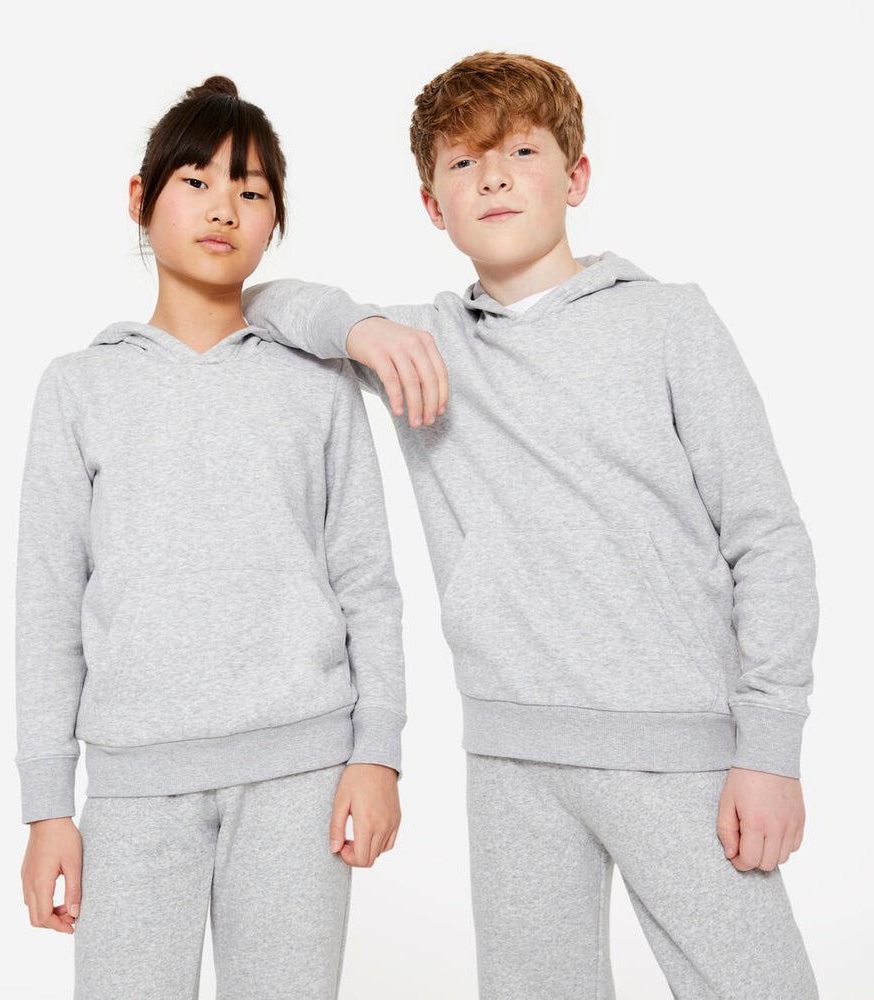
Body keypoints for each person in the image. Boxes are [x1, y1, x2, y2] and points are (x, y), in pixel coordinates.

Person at [243, 52, 819, 998]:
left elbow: (768, 539)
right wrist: (360, 329)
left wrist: (770, 748)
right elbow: (260, 304)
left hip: (680, 749)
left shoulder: (669, 322)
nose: (495, 178)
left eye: (521, 151)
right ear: (433, 205)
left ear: (575, 177)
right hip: (512, 759)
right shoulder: (422, 346)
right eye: (464, 162)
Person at [14, 75, 406, 1000]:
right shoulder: (79, 388)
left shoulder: (318, 385)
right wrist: (46, 807)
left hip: (302, 773)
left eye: (252, 189)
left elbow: (367, 581)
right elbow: (47, 603)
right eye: (196, 180)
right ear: (140, 198)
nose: (224, 207)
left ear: (275, 221)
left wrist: (378, 752)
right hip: (133, 787)